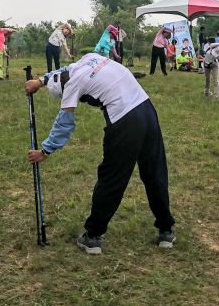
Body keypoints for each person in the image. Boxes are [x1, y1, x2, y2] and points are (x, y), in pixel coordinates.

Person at [25, 54, 175, 255]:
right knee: (154, 172)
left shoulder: (72, 86)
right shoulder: (88, 58)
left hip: (124, 120)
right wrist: (40, 81)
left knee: (112, 178)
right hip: (146, 109)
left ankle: (93, 237)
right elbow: (64, 70)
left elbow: (64, 124)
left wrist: (45, 151)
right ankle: (166, 230)